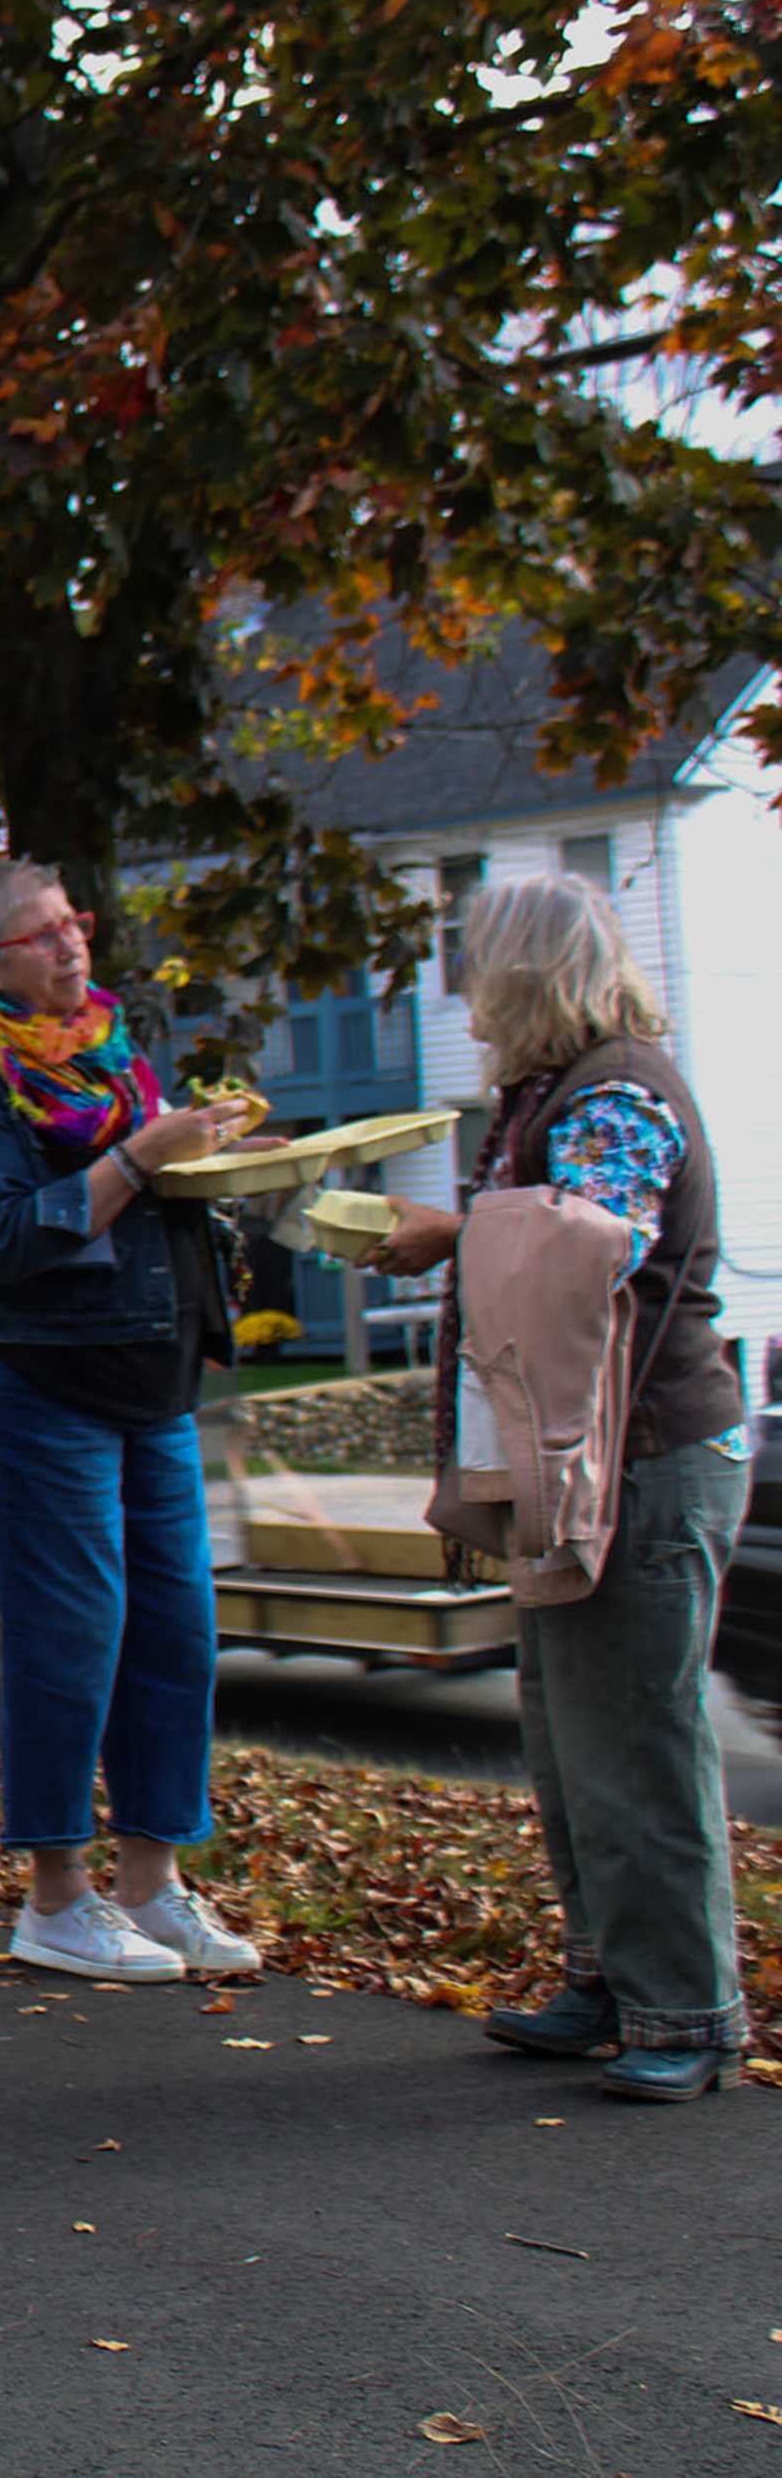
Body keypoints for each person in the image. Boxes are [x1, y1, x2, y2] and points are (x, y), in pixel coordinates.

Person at [367, 873, 749, 2100]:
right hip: (592, 1460)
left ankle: (684, 2008)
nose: (463, 992)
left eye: (474, 963)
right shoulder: (560, 1090)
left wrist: (449, 1234)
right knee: (571, 1736)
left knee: (637, 1738)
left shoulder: (618, 1093)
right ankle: (609, 1976)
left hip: (643, 1456)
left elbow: (592, 1246)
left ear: (526, 973)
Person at [0, 858, 268, 1985]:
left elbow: (147, 1198)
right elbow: (6, 1240)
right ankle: (56, 1899)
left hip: (147, 1379)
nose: (72, 946)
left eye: (75, 924)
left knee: (177, 1632)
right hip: (31, 1380)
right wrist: (135, 1160)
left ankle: (152, 1887)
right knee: (72, 1637)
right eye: (43, 934)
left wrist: (208, 1164)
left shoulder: (114, 1055)